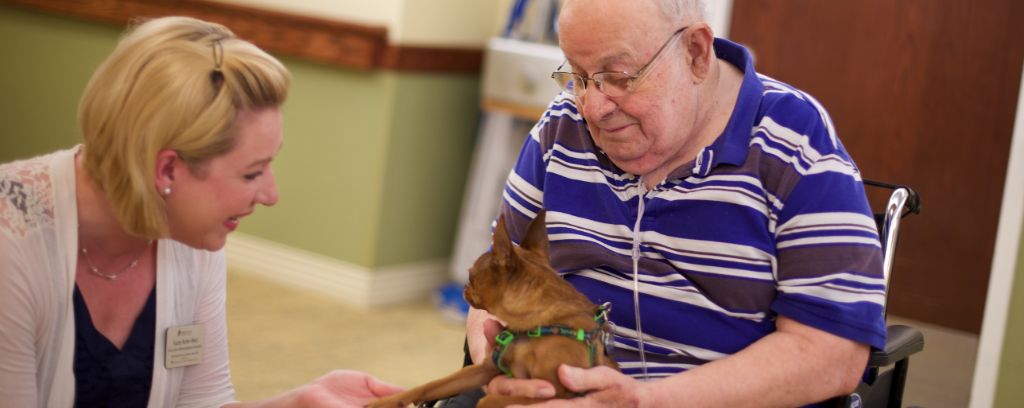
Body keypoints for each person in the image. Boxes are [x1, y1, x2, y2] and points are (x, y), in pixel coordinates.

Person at [464, 0, 887, 406]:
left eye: (619, 75)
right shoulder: (561, 127)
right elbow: (495, 277)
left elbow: (833, 353)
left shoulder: (794, 140)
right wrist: (499, 365)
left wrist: (647, 401)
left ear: (696, 53)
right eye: (577, 76)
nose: (592, 108)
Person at [0, 16, 402, 407]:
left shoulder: (187, 232)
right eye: (252, 173)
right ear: (167, 169)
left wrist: (296, 403)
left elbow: (201, 401)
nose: (271, 194)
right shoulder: (10, 247)